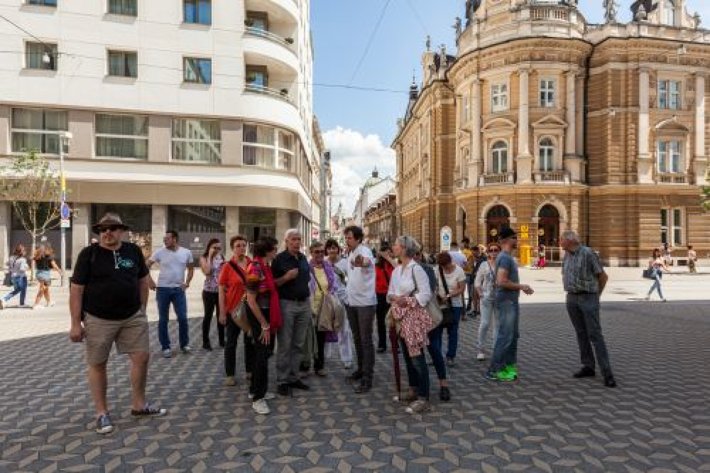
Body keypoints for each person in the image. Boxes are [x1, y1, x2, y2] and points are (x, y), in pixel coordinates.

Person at [69, 213, 166, 435]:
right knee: (98, 363)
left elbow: (142, 281)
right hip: (98, 318)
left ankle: (139, 405)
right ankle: (101, 413)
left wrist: (142, 310)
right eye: (103, 229)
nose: (107, 232)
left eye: (112, 228)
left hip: (132, 317)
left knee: (142, 357)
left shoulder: (133, 251)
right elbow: (76, 290)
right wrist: (75, 323)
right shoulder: (89, 254)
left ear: (121, 230)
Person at [560, 230, 616, 388]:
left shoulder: (588, 253)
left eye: (562, 239)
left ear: (570, 240)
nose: (560, 242)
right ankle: (588, 366)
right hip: (571, 298)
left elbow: (603, 277)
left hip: (588, 298)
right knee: (581, 333)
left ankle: (607, 373)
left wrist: (596, 297)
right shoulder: (567, 255)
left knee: (595, 335)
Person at [387, 236, 434, 414]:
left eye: (396, 245)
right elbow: (390, 292)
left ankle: (424, 397)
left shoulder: (417, 269)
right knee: (407, 356)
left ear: (404, 248)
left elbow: (426, 294)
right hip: (399, 317)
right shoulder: (397, 270)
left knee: (417, 357)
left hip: (413, 318)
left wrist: (406, 300)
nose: (393, 247)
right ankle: (413, 389)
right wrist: (393, 298)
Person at [485, 227, 534, 382]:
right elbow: (501, 281)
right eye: (514, 237)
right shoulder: (505, 258)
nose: (516, 240)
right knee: (505, 336)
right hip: (506, 301)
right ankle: (494, 370)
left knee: (512, 335)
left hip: (510, 301)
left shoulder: (505, 257)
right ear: (507, 240)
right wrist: (522, 286)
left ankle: (509, 367)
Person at [244, 236, 282, 415]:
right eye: (274, 248)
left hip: (266, 313)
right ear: (267, 250)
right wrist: (264, 325)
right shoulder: (255, 267)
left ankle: (256, 390)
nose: (276, 251)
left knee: (265, 353)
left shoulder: (266, 266)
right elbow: (251, 300)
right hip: (259, 315)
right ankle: (258, 398)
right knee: (261, 354)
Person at [271, 229, 312, 396]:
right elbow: (272, 283)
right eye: (293, 239)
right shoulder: (279, 259)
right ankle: (282, 380)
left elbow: (307, 279)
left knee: (299, 344)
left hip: (304, 304)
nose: (297, 242)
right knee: (285, 344)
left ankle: (294, 377)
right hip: (287, 304)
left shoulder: (302, 258)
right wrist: (286, 278)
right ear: (286, 241)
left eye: (299, 239)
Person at [147, 231, 195, 358]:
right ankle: (165, 347)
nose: (164, 240)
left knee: (183, 318)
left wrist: (187, 282)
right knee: (163, 319)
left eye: (167, 238)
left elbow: (191, 269)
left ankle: (184, 344)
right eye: (164, 238)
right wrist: (149, 280)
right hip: (162, 289)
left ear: (175, 239)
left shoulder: (186, 252)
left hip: (179, 290)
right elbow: (145, 266)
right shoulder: (159, 252)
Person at [343, 225, 377, 393]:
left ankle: (367, 378)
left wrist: (361, 262)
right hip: (352, 302)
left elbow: (366, 262)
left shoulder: (364, 251)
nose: (347, 240)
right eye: (346, 237)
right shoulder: (351, 252)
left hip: (365, 303)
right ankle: (361, 369)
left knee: (365, 340)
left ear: (358, 238)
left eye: (349, 237)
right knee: (357, 338)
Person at [413, 249, 451, 402]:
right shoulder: (402, 270)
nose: (415, 257)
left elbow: (428, 292)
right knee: (417, 353)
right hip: (412, 317)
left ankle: (444, 384)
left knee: (434, 350)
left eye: (416, 254)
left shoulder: (427, 269)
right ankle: (420, 386)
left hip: (428, 314)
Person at [218, 235, 254, 387]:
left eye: (244, 245)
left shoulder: (252, 264)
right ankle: (230, 374)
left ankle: (250, 370)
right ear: (232, 248)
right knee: (231, 343)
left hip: (250, 309)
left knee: (249, 341)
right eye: (238, 245)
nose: (241, 248)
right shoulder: (227, 266)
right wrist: (221, 312)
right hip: (233, 310)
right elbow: (221, 290)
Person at [308, 240, 344, 376]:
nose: (319, 254)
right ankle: (304, 365)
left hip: (324, 308)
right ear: (311, 253)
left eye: (322, 252)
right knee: (307, 338)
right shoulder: (307, 267)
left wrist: (330, 294)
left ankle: (319, 366)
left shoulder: (328, 267)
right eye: (316, 252)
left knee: (320, 338)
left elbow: (334, 285)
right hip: (310, 306)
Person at [325, 238, 353, 369]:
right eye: (329, 248)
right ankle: (325, 356)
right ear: (326, 250)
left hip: (342, 299)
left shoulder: (344, 263)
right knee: (325, 327)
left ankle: (347, 358)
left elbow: (351, 280)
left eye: (334, 247)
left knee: (344, 329)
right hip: (327, 299)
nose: (332, 250)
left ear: (338, 249)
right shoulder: (323, 263)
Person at [435, 252, 466, 367]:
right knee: (437, 331)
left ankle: (450, 356)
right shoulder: (437, 269)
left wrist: (449, 295)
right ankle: (437, 356)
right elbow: (434, 285)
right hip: (439, 304)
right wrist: (438, 296)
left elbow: (462, 289)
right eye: (442, 266)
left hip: (454, 305)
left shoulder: (459, 271)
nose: (445, 268)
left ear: (450, 261)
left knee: (452, 331)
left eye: (446, 265)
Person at [474, 243, 500, 361]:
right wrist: (480, 293)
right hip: (486, 298)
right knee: (485, 323)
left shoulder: (503, 265)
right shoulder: (484, 265)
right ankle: (480, 349)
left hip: (499, 298)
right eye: (491, 250)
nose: (493, 252)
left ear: (499, 252)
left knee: (497, 325)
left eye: (496, 250)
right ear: (488, 252)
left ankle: (496, 349)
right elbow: (477, 281)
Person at [199, 239, 225, 351]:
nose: (217, 250)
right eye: (215, 247)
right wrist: (210, 256)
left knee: (221, 316)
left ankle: (222, 340)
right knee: (208, 317)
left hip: (220, 292)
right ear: (209, 247)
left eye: (219, 248)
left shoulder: (221, 257)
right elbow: (207, 271)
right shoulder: (203, 258)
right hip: (208, 292)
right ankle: (205, 342)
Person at [375, 242, 395, 353]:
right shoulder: (376, 266)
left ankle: (395, 344)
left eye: (389, 252)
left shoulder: (393, 265)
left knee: (393, 321)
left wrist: (389, 258)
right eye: (385, 252)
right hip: (380, 296)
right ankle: (382, 344)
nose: (388, 254)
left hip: (391, 295)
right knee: (380, 321)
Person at [32, 244, 63, 309]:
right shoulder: (48, 257)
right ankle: (36, 304)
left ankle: (49, 302)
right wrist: (59, 271)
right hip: (45, 274)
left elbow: (33, 258)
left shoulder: (38, 256)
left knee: (46, 289)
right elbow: (54, 265)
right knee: (42, 289)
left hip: (38, 274)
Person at [1, 244, 29, 309]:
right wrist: (27, 267)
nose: (25, 252)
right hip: (21, 277)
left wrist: (12, 267)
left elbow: (7, 264)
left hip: (13, 277)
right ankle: (21, 303)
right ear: (21, 252)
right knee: (23, 290)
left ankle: (4, 299)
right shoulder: (22, 259)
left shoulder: (11, 258)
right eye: (24, 251)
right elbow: (22, 269)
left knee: (17, 290)